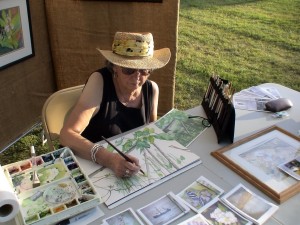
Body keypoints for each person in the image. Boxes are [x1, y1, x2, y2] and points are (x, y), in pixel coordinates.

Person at [60, 31, 171, 178]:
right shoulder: (99, 81)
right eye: (129, 69)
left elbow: (150, 134)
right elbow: (67, 135)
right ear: (115, 67)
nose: (137, 77)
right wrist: (110, 160)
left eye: (145, 70)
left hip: (128, 168)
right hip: (90, 166)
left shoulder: (152, 89)